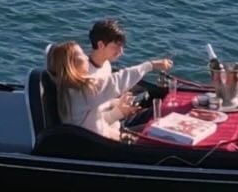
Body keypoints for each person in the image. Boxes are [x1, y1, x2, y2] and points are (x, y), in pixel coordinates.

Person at [45, 38, 173, 141]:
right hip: (105, 146)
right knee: (163, 127)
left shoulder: (67, 91)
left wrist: (118, 109)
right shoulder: (84, 90)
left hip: (106, 137)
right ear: (71, 65)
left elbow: (94, 121)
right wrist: (150, 65)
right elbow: (118, 80)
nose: (86, 57)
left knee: (159, 121)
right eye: (82, 54)